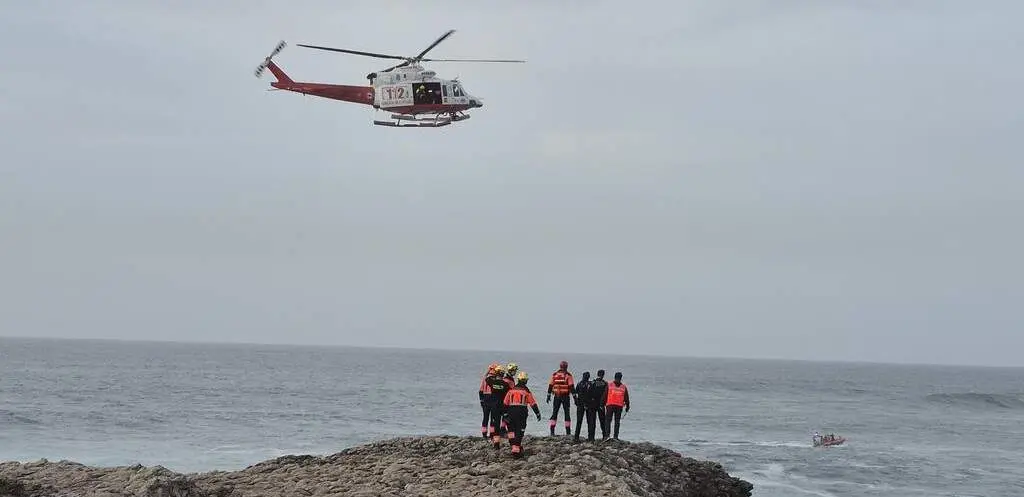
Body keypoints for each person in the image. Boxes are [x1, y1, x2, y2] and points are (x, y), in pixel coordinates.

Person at [503, 371, 542, 457]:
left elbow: (505, 403)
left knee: (511, 430)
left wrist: (505, 414)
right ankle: (516, 450)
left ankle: (513, 446)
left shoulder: (511, 391)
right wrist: (538, 413)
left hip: (511, 411)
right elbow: (533, 403)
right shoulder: (526, 391)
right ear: (525, 381)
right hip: (521, 412)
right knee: (520, 431)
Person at [484, 363, 510, 447]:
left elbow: (486, 378)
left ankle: (496, 443)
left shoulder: (492, 382)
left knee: (496, 424)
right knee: (506, 422)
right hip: (503, 406)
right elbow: (509, 395)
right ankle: (512, 439)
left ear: (496, 373)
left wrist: (489, 370)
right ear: (503, 375)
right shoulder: (506, 385)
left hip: (494, 406)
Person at [546, 360, 575, 436]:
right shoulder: (568, 375)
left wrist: (548, 396)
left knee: (554, 413)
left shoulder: (554, 375)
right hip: (565, 397)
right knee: (567, 413)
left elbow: (550, 386)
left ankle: (552, 432)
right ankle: (568, 432)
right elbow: (571, 387)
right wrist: (575, 398)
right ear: (566, 367)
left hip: (557, 396)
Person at [604, 371, 630, 440]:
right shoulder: (623, 387)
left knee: (608, 421)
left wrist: (601, 404)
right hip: (619, 406)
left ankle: (607, 436)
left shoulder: (610, 385)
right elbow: (626, 398)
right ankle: (615, 436)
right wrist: (627, 406)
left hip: (610, 405)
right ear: (621, 378)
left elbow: (605, 395)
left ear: (615, 377)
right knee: (617, 422)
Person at [478, 363, 499, 438]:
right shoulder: (496, 379)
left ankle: (484, 434)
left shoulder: (485, 378)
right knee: (493, 418)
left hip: (485, 399)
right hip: (493, 399)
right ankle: (492, 434)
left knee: (485, 417)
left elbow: (480, 391)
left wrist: (481, 401)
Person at [572, 371, 593, 442]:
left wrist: (576, 401)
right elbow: (591, 394)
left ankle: (576, 437)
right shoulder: (590, 384)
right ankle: (590, 437)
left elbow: (576, 392)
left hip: (580, 404)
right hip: (588, 404)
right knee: (589, 421)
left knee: (579, 421)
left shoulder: (579, 383)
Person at [590, 369, 609, 440]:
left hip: (593, 403)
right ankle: (604, 435)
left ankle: (591, 437)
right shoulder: (605, 383)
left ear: (597, 374)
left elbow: (590, 393)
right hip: (601, 404)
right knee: (602, 421)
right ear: (603, 375)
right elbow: (607, 394)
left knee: (592, 421)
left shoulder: (593, 382)